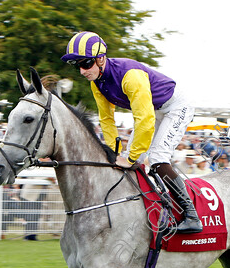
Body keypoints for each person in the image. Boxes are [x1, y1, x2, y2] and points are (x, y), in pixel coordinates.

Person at [61, 31, 201, 233]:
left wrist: (132, 156)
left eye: (85, 64)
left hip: (175, 106)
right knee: (125, 159)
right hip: (154, 109)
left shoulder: (130, 76)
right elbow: (107, 120)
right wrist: (113, 152)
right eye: (77, 66)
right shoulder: (96, 83)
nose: (82, 71)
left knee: (156, 158)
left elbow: (144, 119)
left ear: (101, 59)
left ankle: (191, 215)